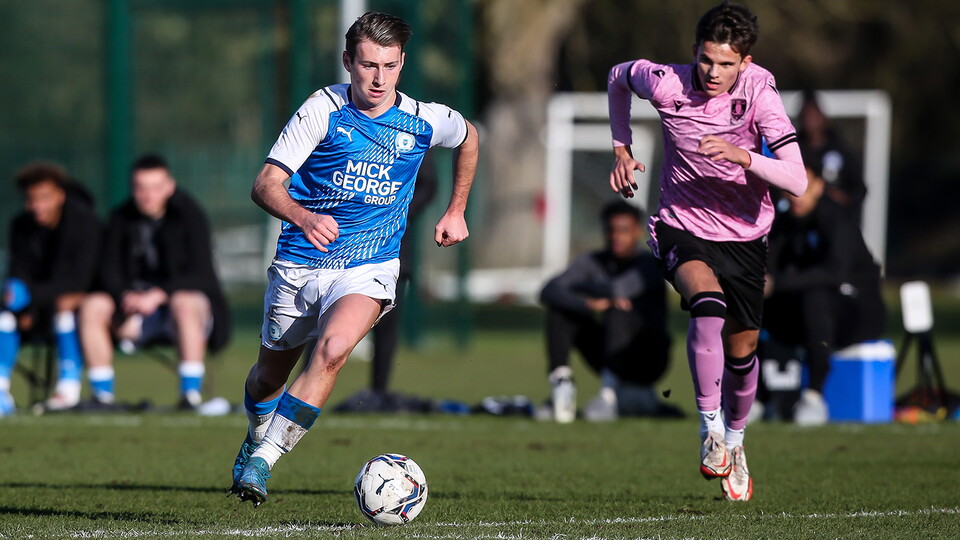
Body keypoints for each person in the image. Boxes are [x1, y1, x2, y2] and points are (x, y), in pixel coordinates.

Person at [230, 12, 479, 507]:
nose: (379, 78)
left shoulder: (424, 119)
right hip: (301, 263)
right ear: (348, 62)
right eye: (368, 65)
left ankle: (264, 461)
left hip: (370, 265)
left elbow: (469, 136)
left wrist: (456, 209)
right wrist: (302, 217)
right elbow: (264, 185)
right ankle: (258, 435)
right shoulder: (321, 110)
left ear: (403, 62)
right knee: (267, 377)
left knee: (334, 350)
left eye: (390, 65)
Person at [607, 2, 807, 501]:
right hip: (681, 226)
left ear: (745, 61)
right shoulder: (665, 82)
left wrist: (745, 156)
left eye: (725, 63)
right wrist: (621, 147)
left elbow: (798, 179)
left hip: (745, 235)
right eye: (706, 60)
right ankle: (710, 430)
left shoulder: (760, 92)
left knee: (743, 352)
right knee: (707, 305)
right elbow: (617, 77)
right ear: (694, 52)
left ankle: (736, 443)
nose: (713, 73)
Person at [78, 154, 230, 410]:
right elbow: (107, 271)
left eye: (155, 188)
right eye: (141, 188)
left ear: (169, 187)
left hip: (182, 314)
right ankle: (102, 397)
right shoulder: (120, 218)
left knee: (184, 301)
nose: (148, 196)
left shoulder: (189, 216)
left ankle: (189, 395)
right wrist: (124, 296)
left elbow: (202, 274)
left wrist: (160, 294)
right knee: (93, 305)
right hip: (135, 314)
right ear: (132, 189)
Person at [761, 162, 885, 425]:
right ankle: (756, 397)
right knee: (751, 304)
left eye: (801, 185)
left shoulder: (836, 219)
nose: (794, 194)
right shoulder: (784, 222)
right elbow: (769, 268)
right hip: (808, 315)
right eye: (789, 185)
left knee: (815, 297)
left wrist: (777, 283)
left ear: (818, 186)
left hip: (856, 314)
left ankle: (814, 398)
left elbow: (834, 273)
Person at [539, 200, 672, 423]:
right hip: (608, 352)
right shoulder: (593, 261)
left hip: (648, 356)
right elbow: (549, 290)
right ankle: (561, 390)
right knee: (561, 310)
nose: (616, 237)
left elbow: (617, 289)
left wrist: (585, 288)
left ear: (638, 231)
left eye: (624, 230)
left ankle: (608, 396)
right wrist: (587, 304)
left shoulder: (648, 264)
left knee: (617, 309)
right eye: (611, 230)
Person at [0, 163, 101, 414]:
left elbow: (80, 280)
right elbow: (18, 271)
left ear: (60, 196)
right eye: (32, 199)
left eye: (44, 198)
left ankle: (67, 390)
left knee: (65, 308)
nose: (37, 206)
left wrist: (32, 297)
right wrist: (17, 297)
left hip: (75, 307)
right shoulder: (21, 226)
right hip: (37, 306)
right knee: (6, 314)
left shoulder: (84, 223)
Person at [796, 90, 866, 219]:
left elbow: (859, 190)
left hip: (836, 221)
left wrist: (841, 198)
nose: (811, 120)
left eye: (814, 114)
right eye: (807, 115)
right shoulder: (793, 150)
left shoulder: (842, 150)